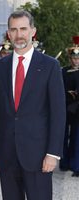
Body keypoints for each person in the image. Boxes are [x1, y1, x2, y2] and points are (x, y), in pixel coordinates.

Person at [0, 10, 66, 200]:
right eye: (14, 30)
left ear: (33, 31)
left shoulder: (50, 66)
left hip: (39, 155)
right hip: (6, 154)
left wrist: (53, 153)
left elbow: (58, 113)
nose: (19, 34)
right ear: (8, 33)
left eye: (23, 29)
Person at [59, 36, 79, 172]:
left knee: (76, 137)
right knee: (63, 135)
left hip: (78, 108)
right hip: (65, 106)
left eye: (77, 58)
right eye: (73, 58)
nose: (75, 60)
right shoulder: (63, 71)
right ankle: (64, 162)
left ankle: (75, 164)